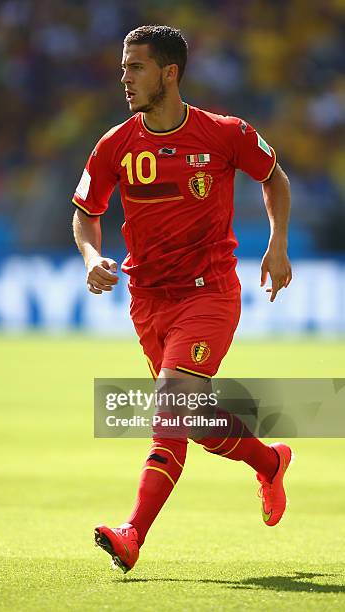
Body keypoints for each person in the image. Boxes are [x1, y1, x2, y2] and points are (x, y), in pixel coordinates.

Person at [72, 25, 293, 574]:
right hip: (148, 301)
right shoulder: (114, 145)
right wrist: (91, 258)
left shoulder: (225, 133)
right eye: (124, 67)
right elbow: (86, 212)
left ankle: (132, 534)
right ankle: (269, 461)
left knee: (170, 403)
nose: (125, 78)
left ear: (169, 74)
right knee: (192, 419)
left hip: (210, 293)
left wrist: (278, 245)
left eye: (137, 67)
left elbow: (275, 178)